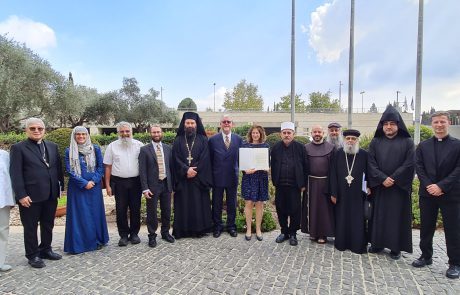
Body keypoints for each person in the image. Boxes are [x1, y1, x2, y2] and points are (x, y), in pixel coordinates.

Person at [9, 118, 64, 268]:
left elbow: (57, 169)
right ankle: (32, 255)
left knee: (48, 225)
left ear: (44, 130)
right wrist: (20, 195)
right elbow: (15, 173)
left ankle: (46, 249)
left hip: (51, 194)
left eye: (40, 128)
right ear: (26, 130)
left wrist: (60, 189)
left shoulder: (52, 146)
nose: (36, 131)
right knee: (31, 227)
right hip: (30, 196)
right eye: (32, 128)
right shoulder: (18, 148)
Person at [413, 111, 460, 279]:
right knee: (426, 227)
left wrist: (441, 186)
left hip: (451, 194)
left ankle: (455, 263)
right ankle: (426, 256)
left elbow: (458, 170)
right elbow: (419, 167)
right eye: (436, 122)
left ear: (448, 123)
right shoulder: (423, 146)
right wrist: (429, 186)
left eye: (442, 122)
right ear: (431, 124)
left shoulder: (457, 144)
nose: (439, 125)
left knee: (453, 229)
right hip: (427, 193)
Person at [367, 105, 414, 260]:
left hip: (398, 188)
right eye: (386, 124)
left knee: (396, 217)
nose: (388, 127)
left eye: (392, 124)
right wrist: (382, 178)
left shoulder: (407, 142)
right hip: (380, 187)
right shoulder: (375, 141)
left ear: (398, 125)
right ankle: (377, 243)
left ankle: (396, 247)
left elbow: (409, 164)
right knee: (378, 215)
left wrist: (392, 178)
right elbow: (371, 163)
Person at [64, 126, 109, 254]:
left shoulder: (95, 149)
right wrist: (84, 183)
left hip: (94, 188)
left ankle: (97, 240)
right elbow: (70, 170)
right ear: (74, 136)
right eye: (78, 134)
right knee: (80, 215)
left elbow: (100, 167)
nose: (81, 137)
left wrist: (93, 181)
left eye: (84, 134)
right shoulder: (69, 151)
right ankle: (80, 243)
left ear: (87, 135)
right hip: (77, 188)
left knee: (94, 214)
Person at [171, 112, 213, 238]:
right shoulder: (178, 140)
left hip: (198, 179)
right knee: (183, 204)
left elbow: (205, 158)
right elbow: (175, 158)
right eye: (187, 123)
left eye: (192, 123)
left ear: (196, 124)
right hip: (183, 180)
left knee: (198, 205)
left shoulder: (203, 139)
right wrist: (185, 170)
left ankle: (199, 230)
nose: (190, 125)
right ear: (184, 124)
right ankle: (183, 230)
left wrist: (194, 170)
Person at [104, 122, 143, 247]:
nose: (125, 134)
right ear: (118, 133)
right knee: (121, 210)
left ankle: (134, 234)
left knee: (135, 209)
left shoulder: (139, 145)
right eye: (122, 132)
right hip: (119, 182)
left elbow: (145, 166)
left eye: (127, 131)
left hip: (136, 182)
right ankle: (123, 236)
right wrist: (108, 185)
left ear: (132, 132)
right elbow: (108, 167)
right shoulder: (112, 146)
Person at [330, 129, 369, 254]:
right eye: (348, 138)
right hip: (341, 193)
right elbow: (333, 174)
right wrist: (333, 193)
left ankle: (357, 245)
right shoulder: (338, 154)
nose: (350, 141)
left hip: (358, 193)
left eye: (353, 138)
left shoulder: (364, 154)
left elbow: (369, 173)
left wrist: (369, 187)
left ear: (357, 140)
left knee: (357, 218)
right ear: (344, 140)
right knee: (342, 217)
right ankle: (341, 243)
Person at [271, 122, 308, 246]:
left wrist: (303, 183)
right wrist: (274, 181)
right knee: (280, 208)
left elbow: (305, 166)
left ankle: (293, 234)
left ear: (293, 134)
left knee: (295, 210)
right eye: (284, 133)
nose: (287, 135)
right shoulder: (275, 147)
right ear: (281, 134)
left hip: (295, 185)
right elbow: (273, 165)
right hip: (280, 184)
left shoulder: (300, 147)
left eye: (289, 133)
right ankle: (283, 232)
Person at [139, 125, 175, 248]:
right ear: (150, 134)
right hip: (152, 186)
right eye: (154, 132)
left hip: (166, 184)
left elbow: (171, 168)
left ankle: (165, 233)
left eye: (158, 132)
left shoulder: (168, 149)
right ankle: (152, 235)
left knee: (166, 210)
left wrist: (172, 185)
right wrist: (145, 188)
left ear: (162, 133)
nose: (156, 134)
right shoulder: (144, 150)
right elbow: (142, 170)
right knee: (152, 212)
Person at [208, 114, 243, 238]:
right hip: (217, 177)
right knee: (216, 203)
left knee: (232, 203)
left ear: (232, 124)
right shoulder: (212, 140)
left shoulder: (239, 139)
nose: (226, 123)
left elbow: (242, 159)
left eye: (228, 121)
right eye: (224, 122)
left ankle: (231, 226)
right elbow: (209, 160)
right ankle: (217, 226)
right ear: (220, 124)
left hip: (232, 176)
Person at [302, 125, 335, 244]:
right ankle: (313, 232)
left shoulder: (331, 148)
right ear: (311, 133)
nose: (317, 134)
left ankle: (323, 234)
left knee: (324, 210)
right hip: (311, 183)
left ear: (323, 133)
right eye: (315, 132)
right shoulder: (306, 148)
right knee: (311, 208)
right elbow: (303, 167)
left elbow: (334, 168)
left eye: (319, 132)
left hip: (326, 182)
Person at [241, 125, 270, 241]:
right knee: (248, 203)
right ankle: (248, 229)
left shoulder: (266, 146)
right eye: (253, 133)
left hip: (261, 178)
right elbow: (241, 162)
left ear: (261, 134)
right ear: (250, 134)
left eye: (257, 133)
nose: (255, 135)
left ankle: (258, 229)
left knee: (259, 204)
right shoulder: (245, 146)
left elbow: (269, 163)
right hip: (249, 178)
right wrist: (244, 170)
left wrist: (267, 168)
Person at [0, 149, 14, 274]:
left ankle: (0, 261)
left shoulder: (4, 155)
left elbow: (10, 177)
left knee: (2, 230)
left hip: (2, 200)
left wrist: (12, 199)